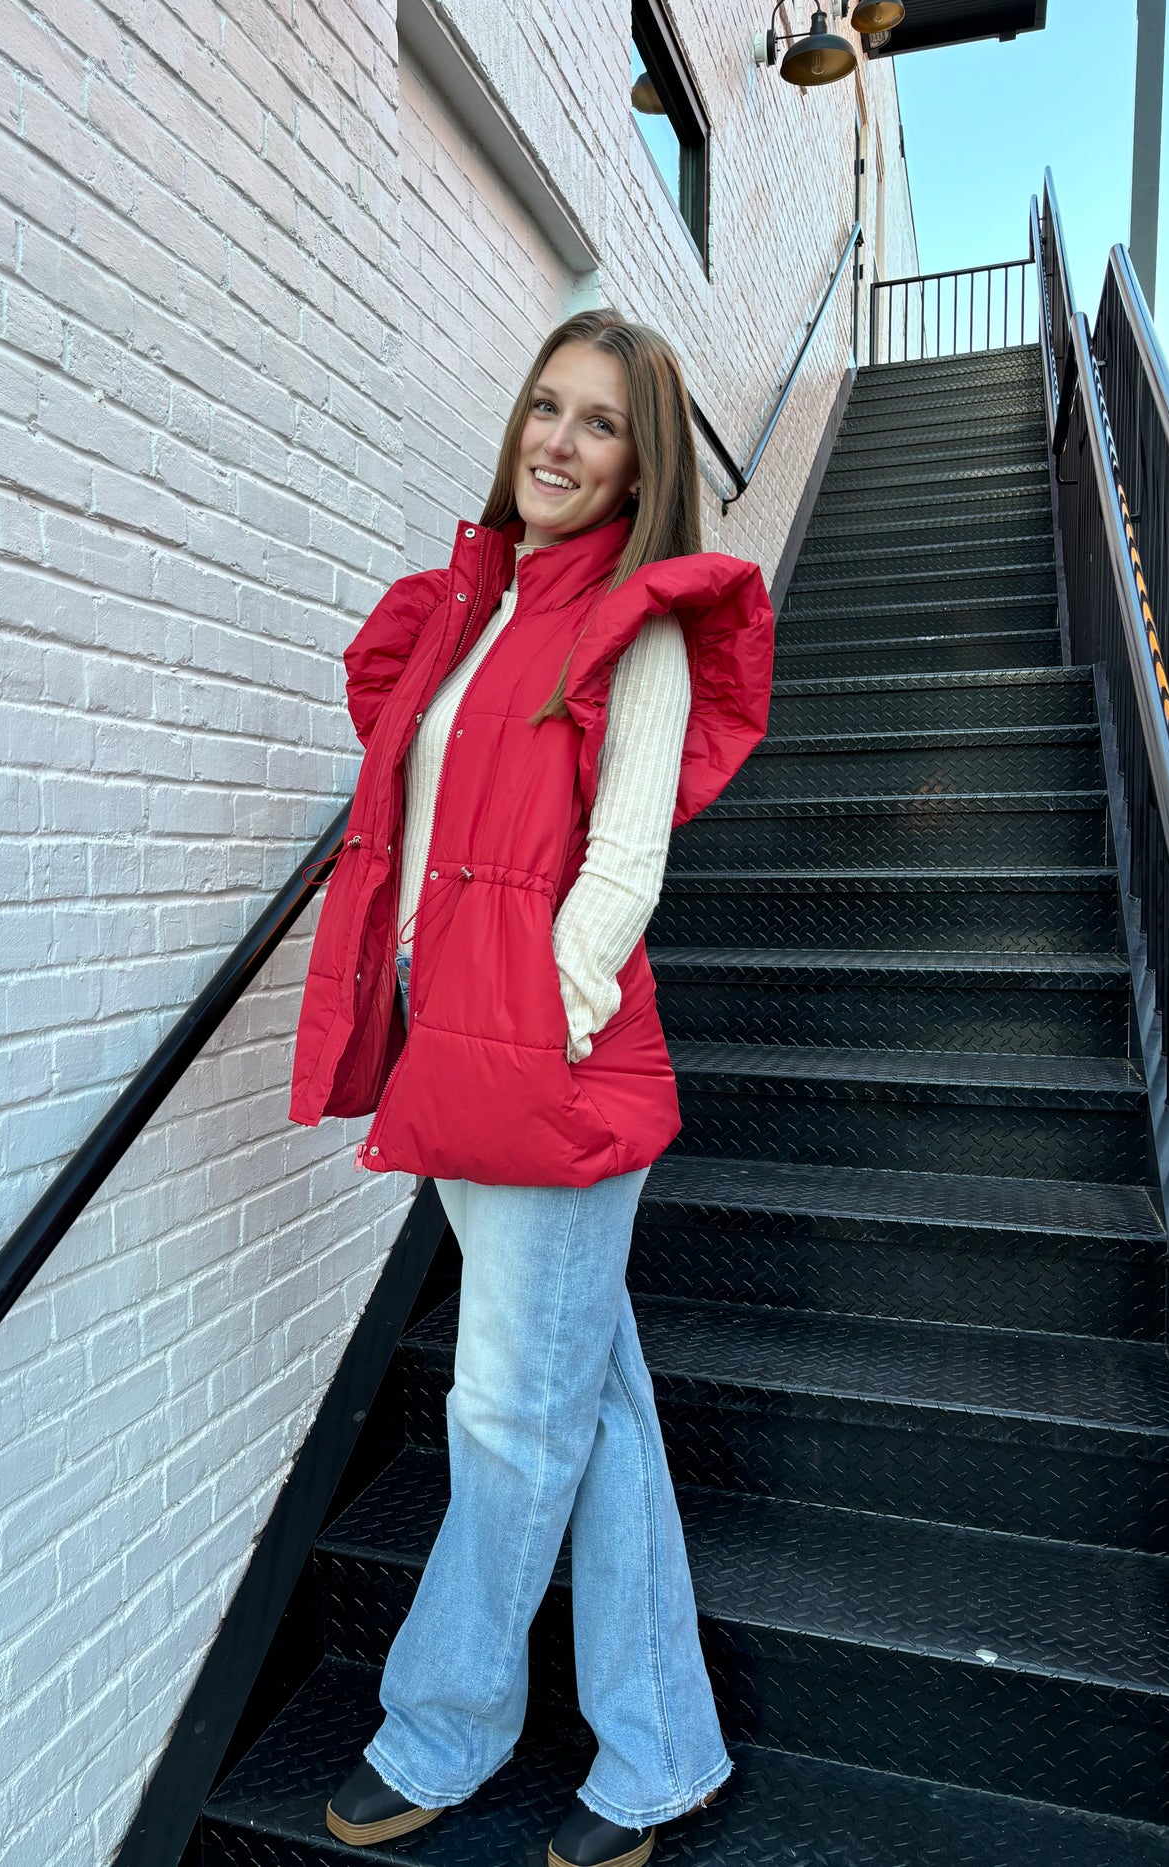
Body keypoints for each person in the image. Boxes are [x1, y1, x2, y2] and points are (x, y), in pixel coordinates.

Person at [287, 308, 774, 1867]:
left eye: (599, 424)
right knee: (593, 1409)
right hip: (460, 1048)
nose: (556, 445)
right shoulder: (476, 611)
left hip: (544, 1066)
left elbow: (623, 867)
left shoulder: (636, 621)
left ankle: (444, 1724)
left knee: (505, 1411)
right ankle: (657, 1759)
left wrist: (537, 1021)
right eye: (543, 411)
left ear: (644, 463)